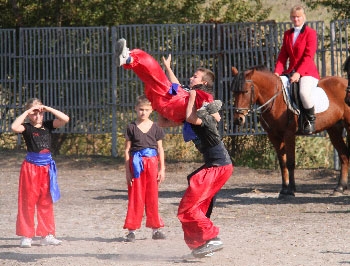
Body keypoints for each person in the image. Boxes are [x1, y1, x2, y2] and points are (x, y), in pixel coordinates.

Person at [11, 98, 70, 248]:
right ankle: (27, 235)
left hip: (47, 168)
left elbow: (65, 119)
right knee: (28, 201)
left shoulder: (48, 125)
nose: (37, 116)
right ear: (30, 114)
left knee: (46, 201)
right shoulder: (27, 128)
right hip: (31, 168)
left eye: (39, 113)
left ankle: (47, 234)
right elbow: (14, 127)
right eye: (34, 113)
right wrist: (26, 112)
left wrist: (48, 108)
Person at [115, 38, 215, 124]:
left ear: (204, 83)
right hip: (165, 104)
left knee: (154, 68)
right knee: (149, 78)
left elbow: (211, 110)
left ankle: (129, 57)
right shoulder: (188, 91)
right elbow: (177, 85)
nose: (191, 78)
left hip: (172, 101)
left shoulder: (203, 94)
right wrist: (168, 67)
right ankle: (128, 59)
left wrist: (204, 120)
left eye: (195, 77)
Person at [123, 95, 166, 242]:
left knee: (152, 196)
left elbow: (160, 149)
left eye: (146, 110)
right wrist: (128, 172)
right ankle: (132, 230)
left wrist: (162, 168)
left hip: (153, 163)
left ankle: (156, 229)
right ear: (136, 109)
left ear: (151, 110)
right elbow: (127, 150)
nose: (143, 112)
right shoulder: (131, 127)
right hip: (136, 164)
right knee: (136, 196)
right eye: (141, 109)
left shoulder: (156, 127)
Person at [274, 5, 320, 135]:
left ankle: (310, 121)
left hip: (307, 72)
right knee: (276, 88)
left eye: (298, 17)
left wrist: (299, 73)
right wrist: (277, 72)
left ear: (304, 17)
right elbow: (283, 56)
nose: (296, 19)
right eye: (294, 17)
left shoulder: (310, 33)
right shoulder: (288, 34)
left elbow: (308, 56)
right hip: (291, 71)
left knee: (304, 93)